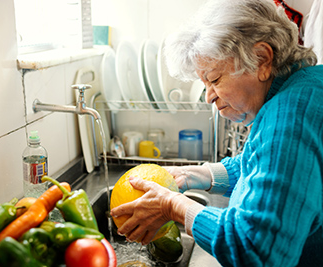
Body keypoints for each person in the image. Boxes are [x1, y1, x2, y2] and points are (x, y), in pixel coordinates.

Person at [110, 0, 323, 266]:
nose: (209, 96)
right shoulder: (300, 89)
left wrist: (174, 206)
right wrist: (195, 174)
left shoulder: (291, 116)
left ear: (262, 59)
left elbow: (256, 249)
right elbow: (263, 168)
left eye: (214, 79)